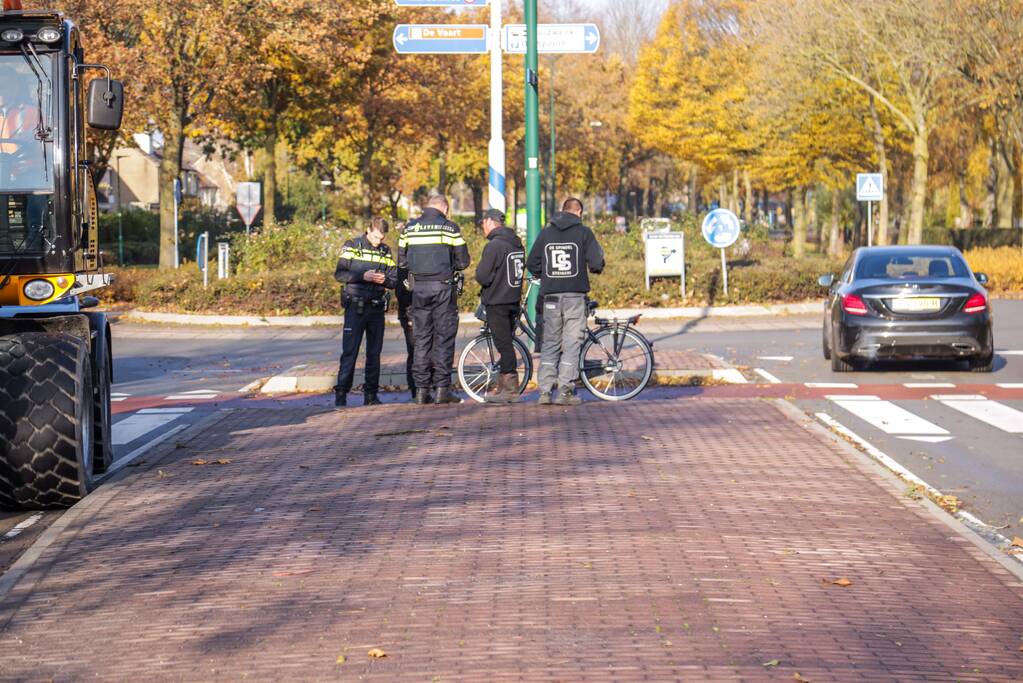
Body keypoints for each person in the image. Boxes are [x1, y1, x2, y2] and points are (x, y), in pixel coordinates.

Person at [526, 197, 605, 406]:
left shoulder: (546, 232)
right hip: (575, 297)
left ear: (562, 211)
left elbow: (532, 263)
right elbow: (597, 263)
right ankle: (564, 391)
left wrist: (548, 276)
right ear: (578, 212)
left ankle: (544, 392)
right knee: (571, 343)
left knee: (550, 343)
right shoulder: (584, 233)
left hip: (550, 297)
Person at [397, 194, 470, 405]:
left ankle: (421, 392)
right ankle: (441, 391)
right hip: (444, 290)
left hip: (418, 290)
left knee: (422, 339)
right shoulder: (449, 228)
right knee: (444, 339)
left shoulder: (409, 229)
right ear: (444, 208)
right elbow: (463, 261)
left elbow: (402, 262)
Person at [333, 217, 398, 408]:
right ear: (368, 230)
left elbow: (394, 280)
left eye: (382, 238)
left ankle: (371, 395)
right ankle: (341, 394)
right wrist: (363, 276)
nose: (379, 241)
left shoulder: (385, 251)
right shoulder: (352, 245)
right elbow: (340, 274)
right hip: (356, 306)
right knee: (350, 352)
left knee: (374, 353)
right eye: (376, 237)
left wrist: (383, 280)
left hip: (376, 307)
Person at [474, 209, 525, 404]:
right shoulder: (516, 243)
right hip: (512, 299)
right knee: (507, 343)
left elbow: (483, 276)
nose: (482, 228)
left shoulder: (494, 246)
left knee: (504, 346)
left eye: (483, 224)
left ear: (489, 222)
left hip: (497, 301)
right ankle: (504, 387)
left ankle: (510, 389)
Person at [394, 221, 417, 402]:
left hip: (415, 312)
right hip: (410, 313)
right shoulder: (404, 266)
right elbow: (401, 291)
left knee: (420, 350)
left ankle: (420, 388)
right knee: (415, 350)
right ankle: (415, 389)